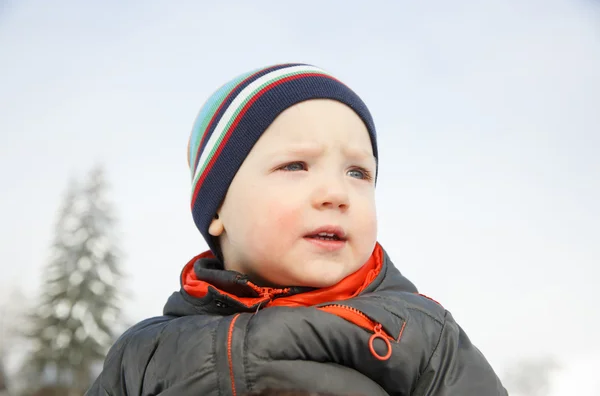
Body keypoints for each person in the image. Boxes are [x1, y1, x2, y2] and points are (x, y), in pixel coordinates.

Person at [86, 63, 507, 395]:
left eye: (358, 172)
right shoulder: (146, 354)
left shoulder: (421, 335)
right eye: (295, 165)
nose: (336, 193)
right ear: (218, 208)